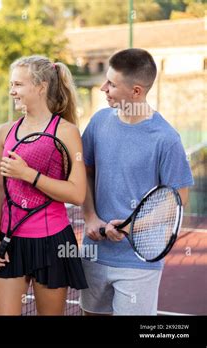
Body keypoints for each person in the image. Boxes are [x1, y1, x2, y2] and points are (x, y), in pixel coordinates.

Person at [80, 48, 194, 315]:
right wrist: (90, 217)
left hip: (138, 261)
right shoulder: (98, 122)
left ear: (136, 92)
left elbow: (179, 199)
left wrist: (132, 227)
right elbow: (85, 171)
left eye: (112, 84)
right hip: (95, 252)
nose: (103, 88)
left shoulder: (166, 138)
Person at [0, 55, 88, 315]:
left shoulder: (66, 131)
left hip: (52, 242)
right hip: (10, 244)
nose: (12, 91)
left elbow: (77, 193)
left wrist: (28, 174)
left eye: (18, 85)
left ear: (41, 86)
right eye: (11, 84)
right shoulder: (5, 132)